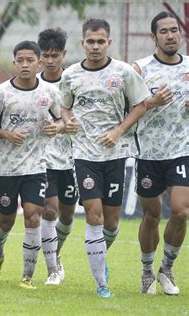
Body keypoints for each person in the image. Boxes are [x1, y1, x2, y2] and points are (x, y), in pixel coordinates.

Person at [60, 19, 150, 298]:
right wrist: (68, 120)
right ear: (82, 43)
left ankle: (101, 258)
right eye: (90, 41)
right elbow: (63, 107)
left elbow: (141, 104)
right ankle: (101, 283)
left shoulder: (123, 72)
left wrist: (119, 130)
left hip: (115, 154)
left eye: (101, 41)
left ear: (108, 42)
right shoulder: (71, 75)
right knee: (94, 215)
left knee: (111, 223)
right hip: (84, 154)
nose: (95, 46)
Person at [0, 41, 63, 289]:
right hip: (5, 169)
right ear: (14, 62)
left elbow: (62, 119)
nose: (25, 65)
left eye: (30, 60)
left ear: (39, 62)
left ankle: (27, 276)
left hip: (36, 166)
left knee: (32, 216)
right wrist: (7, 135)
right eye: (21, 60)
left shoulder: (49, 93)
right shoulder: (0, 93)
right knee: (5, 222)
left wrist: (56, 127)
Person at [133, 11, 188, 296]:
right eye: (164, 31)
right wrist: (151, 102)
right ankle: (146, 272)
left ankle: (166, 269)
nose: (171, 36)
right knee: (151, 215)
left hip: (181, 150)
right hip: (149, 154)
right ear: (153, 37)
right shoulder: (140, 69)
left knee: (180, 211)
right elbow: (127, 111)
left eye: (174, 30)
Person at [37, 27, 78, 285]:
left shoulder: (73, 81)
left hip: (72, 158)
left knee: (67, 214)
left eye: (55, 55)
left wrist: (63, 125)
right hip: (41, 159)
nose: (50, 60)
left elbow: (77, 118)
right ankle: (53, 268)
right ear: (40, 56)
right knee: (49, 210)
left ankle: (56, 253)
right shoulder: (33, 83)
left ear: (63, 54)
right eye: (46, 55)